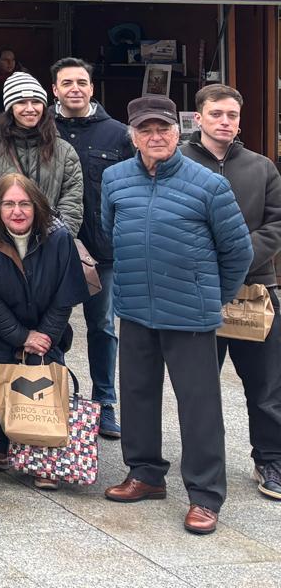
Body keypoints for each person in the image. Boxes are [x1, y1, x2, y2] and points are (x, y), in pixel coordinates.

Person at [101, 94, 252, 534]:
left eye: (163, 128)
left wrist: (213, 296)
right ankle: (145, 474)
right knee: (138, 395)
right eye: (146, 129)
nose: (156, 136)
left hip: (190, 314)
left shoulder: (209, 185)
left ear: (178, 130)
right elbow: (111, 233)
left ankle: (205, 496)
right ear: (133, 136)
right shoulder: (114, 179)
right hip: (134, 309)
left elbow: (238, 252)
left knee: (199, 406)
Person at [0, 173, 89, 487]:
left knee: (47, 371)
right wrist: (19, 336)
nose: (18, 211)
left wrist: (42, 336)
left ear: (37, 206)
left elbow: (64, 295)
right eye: (9, 204)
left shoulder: (58, 237)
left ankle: (45, 453)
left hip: (46, 329)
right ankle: (2, 441)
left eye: (25, 204)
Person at [181, 84, 281, 502]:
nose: (225, 122)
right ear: (198, 118)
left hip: (257, 289)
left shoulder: (262, 168)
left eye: (232, 116)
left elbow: (275, 225)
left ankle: (271, 459)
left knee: (267, 385)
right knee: (199, 387)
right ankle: (205, 467)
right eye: (217, 114)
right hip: (197, 294)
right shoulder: (178, 163)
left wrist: (235, 260)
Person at [50, 57, 134, 440]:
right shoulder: (42, 130)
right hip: (54, 249)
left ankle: (105, 403)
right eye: (66, 83)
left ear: (92, 88)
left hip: (103, 250)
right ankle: (59, 398)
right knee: (54, 325)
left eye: (81, 82)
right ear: (55, 89)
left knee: (102, 327)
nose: (75, 89)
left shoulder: (118, 134)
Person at [0, 73, 83, 234]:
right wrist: (9, 236)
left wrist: (56, 236)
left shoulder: (64, 150)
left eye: (36, 102)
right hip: (5, 243)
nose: (30, 109)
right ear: (10, 108)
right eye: (21, 102)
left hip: (52, 242)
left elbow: (72, 201)